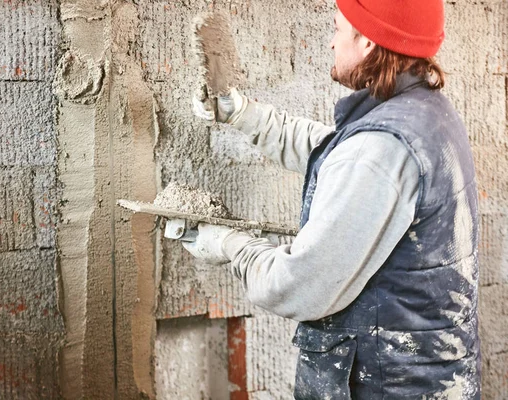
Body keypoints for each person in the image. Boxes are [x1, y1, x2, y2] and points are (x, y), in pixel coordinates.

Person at [185, 0, 481, 398]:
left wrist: (229, 245)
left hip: (384, 386)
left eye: (338, 29)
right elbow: (338, 153)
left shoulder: (380, 150)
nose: (330, 42)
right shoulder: (423, 112)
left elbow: (300, 285)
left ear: (367, 44)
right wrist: (245, 115)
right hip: (421, 376)